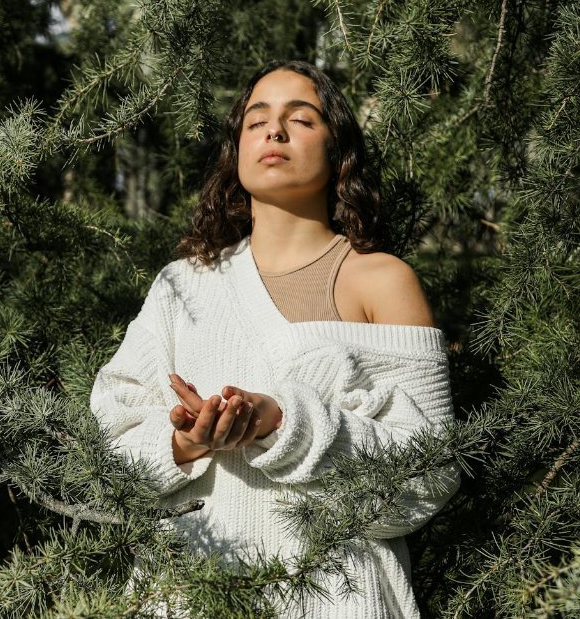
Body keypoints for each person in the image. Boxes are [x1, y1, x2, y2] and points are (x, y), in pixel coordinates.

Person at [90, 60, 458, 618]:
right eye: (256, 120)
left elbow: (429, 475)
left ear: (338, 151)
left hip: (337, 597)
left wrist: (281, 423)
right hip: (188, 592)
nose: (274, 131)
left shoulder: (381, 281)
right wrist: (183, 444)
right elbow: (105, 446)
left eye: (301, 119)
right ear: (236, 149)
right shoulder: (182, 286)